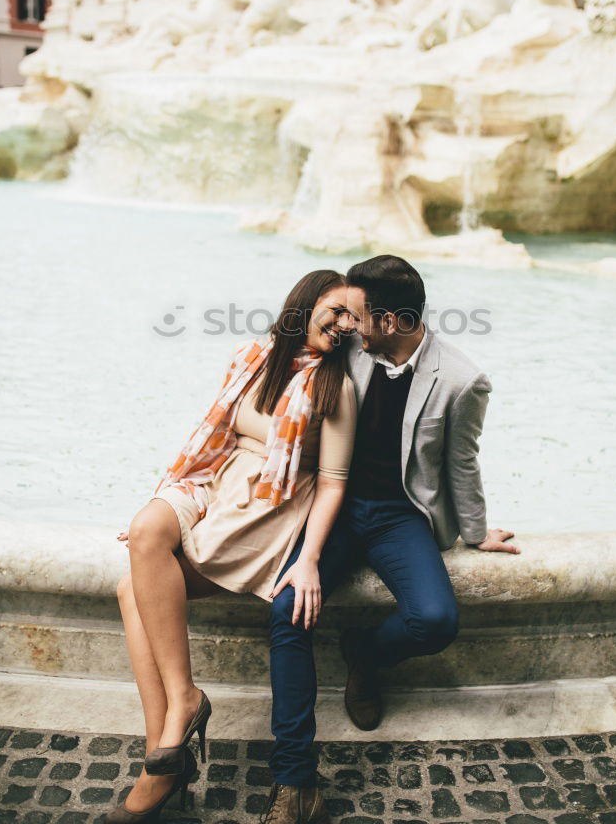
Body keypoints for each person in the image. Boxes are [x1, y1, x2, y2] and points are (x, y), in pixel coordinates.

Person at [265, 254, 519, 823]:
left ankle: (365, 654)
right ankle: (294, 779)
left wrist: (476, 532)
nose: (347, 326)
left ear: (390, 321)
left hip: (400, 515)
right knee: (287, 610)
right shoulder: (345, 350)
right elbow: (276, 379)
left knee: (435, 620)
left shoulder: (461, 379)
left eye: (358, 316)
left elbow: (461, 464)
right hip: (328, 507)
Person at [107, 269, 356, 823]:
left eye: (352, 319)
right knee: (146, 531)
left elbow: (335, 481)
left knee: (132, 590)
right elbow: (215, 435)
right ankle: (179, 717)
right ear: (305, 302)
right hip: (214, 482)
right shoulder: (251, 356)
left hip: (269, 506)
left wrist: (310, 557)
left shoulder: (336, 386)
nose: (344, 326)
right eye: (335, 311)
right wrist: (174, 491)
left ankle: (163, 754)